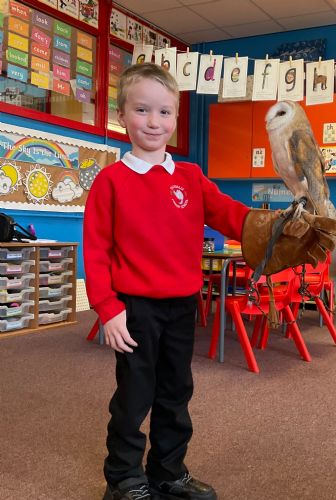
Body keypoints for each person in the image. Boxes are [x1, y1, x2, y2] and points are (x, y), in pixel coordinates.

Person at [83, 62, 250, 500]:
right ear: (122, 115)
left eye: (164, 112)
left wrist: (273, 226)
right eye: (142, 110)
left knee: (176, 392)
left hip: (182, 305)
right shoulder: (110, 181)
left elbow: (231, 214)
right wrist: (107, 308)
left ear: (175, 118)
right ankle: (123, 478)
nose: (153, 121)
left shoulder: (190, 177)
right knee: (135, 394)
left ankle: (167, 472)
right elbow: (96, 251)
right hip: (134, 308)